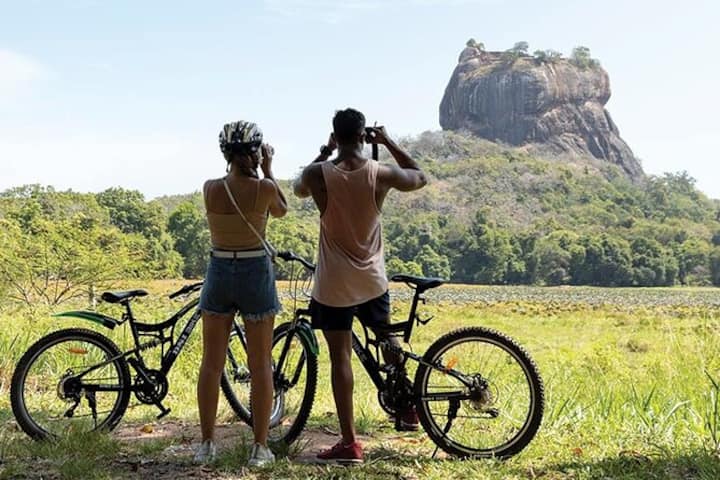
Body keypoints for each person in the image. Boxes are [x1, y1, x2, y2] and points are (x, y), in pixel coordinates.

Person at [294, 108, 427, 464]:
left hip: (333, 283)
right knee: (387, 338)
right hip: (371, 279)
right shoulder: (380, 172)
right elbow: (420, 176)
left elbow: (298, 190)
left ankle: (350, 442)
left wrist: (324, 151)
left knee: (340, 358)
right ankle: (407, 406)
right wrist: (388, 142)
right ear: (362, 136)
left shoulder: (318, 174)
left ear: (336, 136)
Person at [194, 121, 287, 466]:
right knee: (260, 364)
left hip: (219, 270)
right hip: (254, 271)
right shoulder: (264, 188)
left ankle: (206, 444)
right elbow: (282, 209)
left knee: (211, 363)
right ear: (255, 152)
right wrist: (269, 168)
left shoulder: (210, 188)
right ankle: (259, 447)